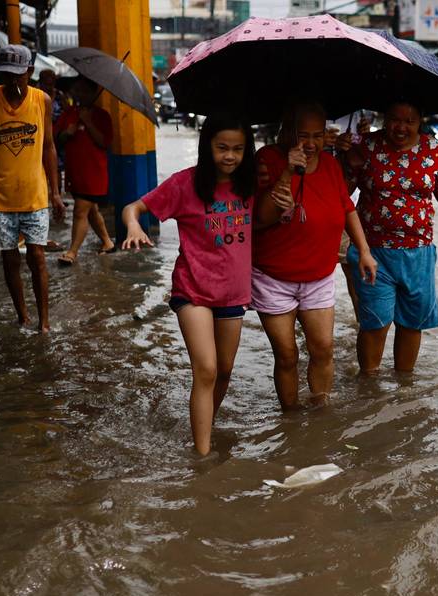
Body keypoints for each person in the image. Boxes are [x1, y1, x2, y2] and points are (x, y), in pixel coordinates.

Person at [119, 116, 274, 456]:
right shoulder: (184, 184)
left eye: (237, 149)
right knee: (206, 368)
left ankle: (204, 423)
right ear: (207, 147)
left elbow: (275, 203)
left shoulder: (250, 183)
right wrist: (133, 226)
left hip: (233, 293)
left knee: (225, 371)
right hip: (192, 290)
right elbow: (134, 207)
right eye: (222, 148)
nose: (229, 157)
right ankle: (201, 457)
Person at [252, 102, 378, 410]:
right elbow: (261, 218)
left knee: (323, 349)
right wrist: (287, 172)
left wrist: (363, 250)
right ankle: (291, 419)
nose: (310, 143)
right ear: (286, 132)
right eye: (303, 135)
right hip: (273, 277)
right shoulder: (267, 158)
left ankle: (320, 416)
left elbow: (347, 207)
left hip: (319, 275)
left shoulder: (331, 165)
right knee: (286, 355)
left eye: (318, 135)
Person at [346, 100, 438, 375]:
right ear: (384, 120)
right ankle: (368, 386)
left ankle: (403, 388)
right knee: (375, 322)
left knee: (411, 323)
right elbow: (340, 194)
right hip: (373, 253)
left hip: (418, 254)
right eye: (395, 119)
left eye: (410, 121)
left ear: (420, 122)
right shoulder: (367, 147)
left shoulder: (433, 151)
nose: (401, 127)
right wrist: (344, 159)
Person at [0, 44, 65, 332]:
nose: (11, 81)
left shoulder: (42, 100)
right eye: (5, 75)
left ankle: (44, 322)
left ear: (29, 73)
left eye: (17, 76)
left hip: (34, 193)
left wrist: (55, 192)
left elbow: (48, 147)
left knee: (37, 257)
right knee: (9, 259)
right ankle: (23, 316)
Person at [56, 76, 115, 264]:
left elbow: (104, 142)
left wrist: (88, 122)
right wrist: (68, 132)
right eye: (77, 90)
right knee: (91, 211)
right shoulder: (70, 113)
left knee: (80, 211)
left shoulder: (102, 116)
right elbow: (57, 138)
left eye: (83, 90)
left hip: (93, 173)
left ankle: (72, 252)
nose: (79, 94)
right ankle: (107, 242)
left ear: (92, 92)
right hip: (75, 172)